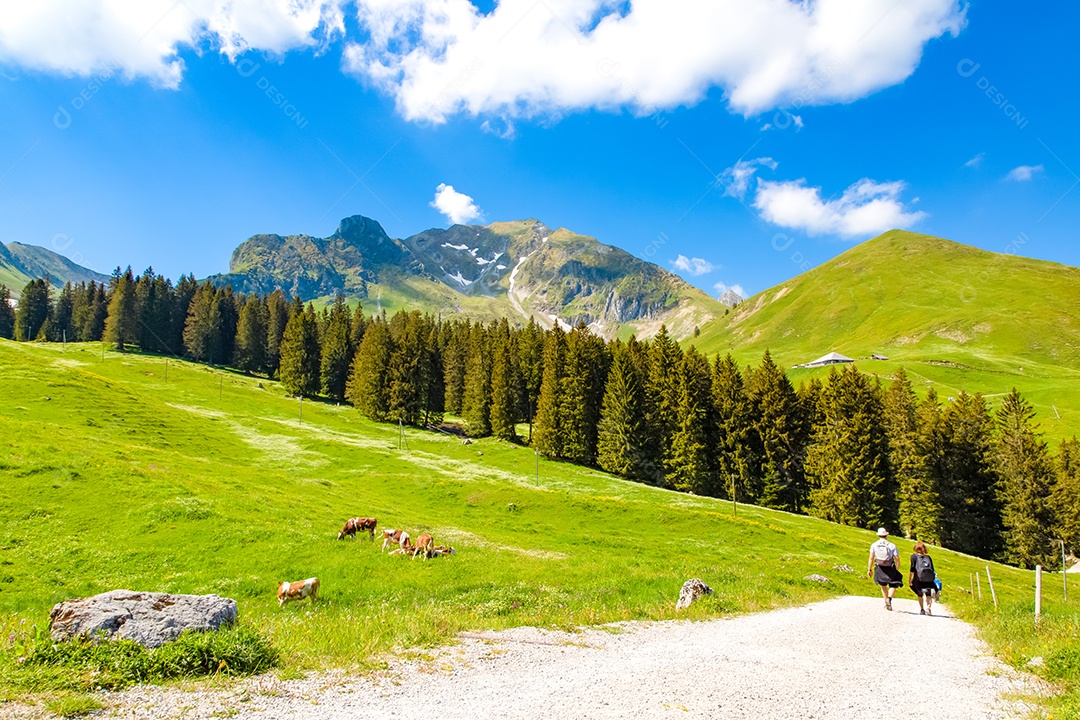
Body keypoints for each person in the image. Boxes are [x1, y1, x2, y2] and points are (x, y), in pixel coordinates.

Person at [867, 527, 902, 610]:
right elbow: (897, 558)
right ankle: (889, 599)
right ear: (886, 535)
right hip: (890, 566)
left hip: (880, 567)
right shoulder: (892, 545)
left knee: (883, 585)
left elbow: (871, 558)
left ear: (878, 535)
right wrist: (896, 569)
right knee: (894, 584)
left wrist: (869, 569)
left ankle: (886, 600)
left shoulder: (874, 545)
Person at [909, 541, 937, 615]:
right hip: (928, 579)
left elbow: (912, 569)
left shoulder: (913, 557)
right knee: (928, 594)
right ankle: (928, 608)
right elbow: (932, 569)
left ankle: (922, 609)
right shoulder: (928, 558)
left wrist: (910, 579)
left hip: (918, 578)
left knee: (920, 594)